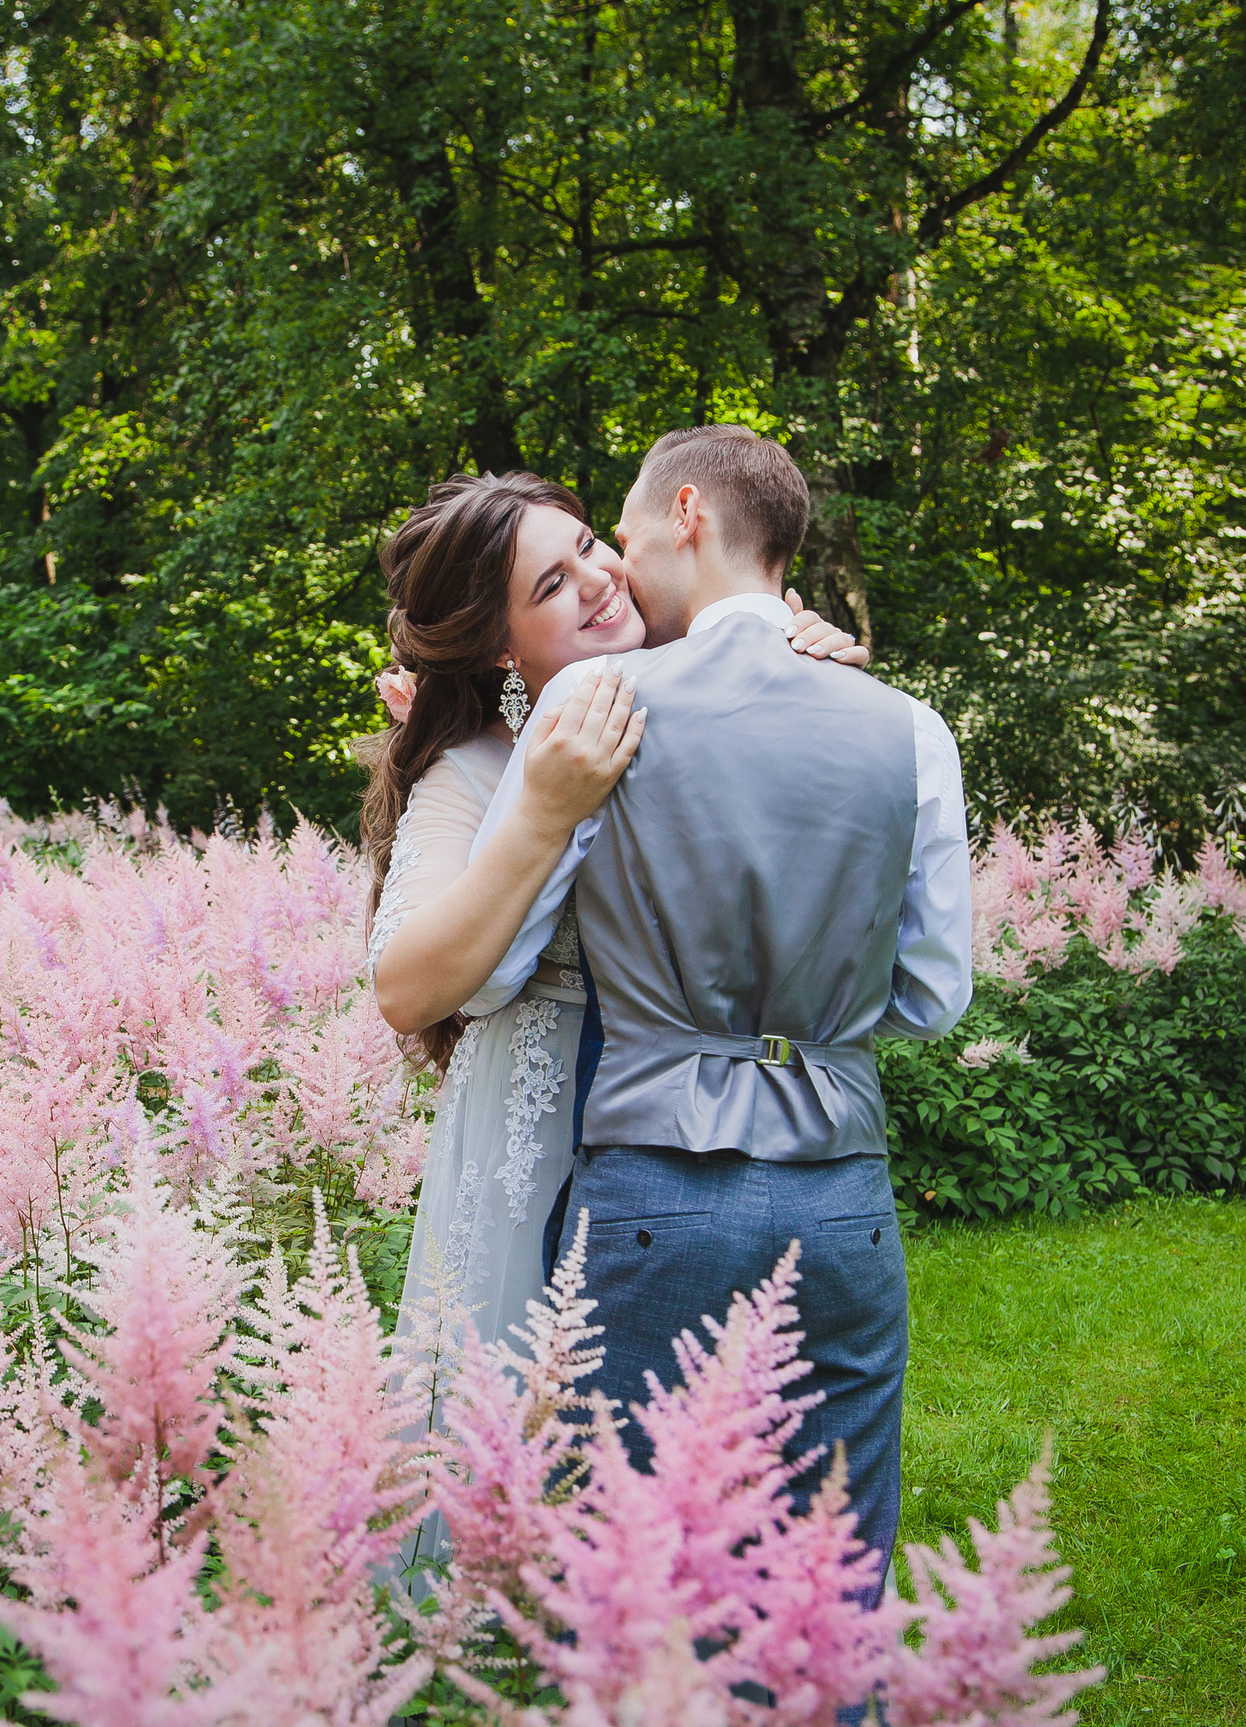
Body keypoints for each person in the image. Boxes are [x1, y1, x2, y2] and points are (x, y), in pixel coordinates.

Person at [467, 425, 973, 1605]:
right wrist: (809, 1017)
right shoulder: (906, 726)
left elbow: (495, 968)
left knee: (646, 1582)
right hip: (839, 1190)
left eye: (627, 533)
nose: (620, 571)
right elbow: (935, 992)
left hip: (653, 1188)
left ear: (684, 513)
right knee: (827, 1579)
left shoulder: (597, 704)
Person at [358, 470, 866, 1421]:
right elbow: (405, 987)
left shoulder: (690, 695)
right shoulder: (472, 770)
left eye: (589, 544)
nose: (595, 578)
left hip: (710, 1124)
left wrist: (806, 657)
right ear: (502, 650)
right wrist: (544, 808)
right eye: (550, 585)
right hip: (546, 1131)